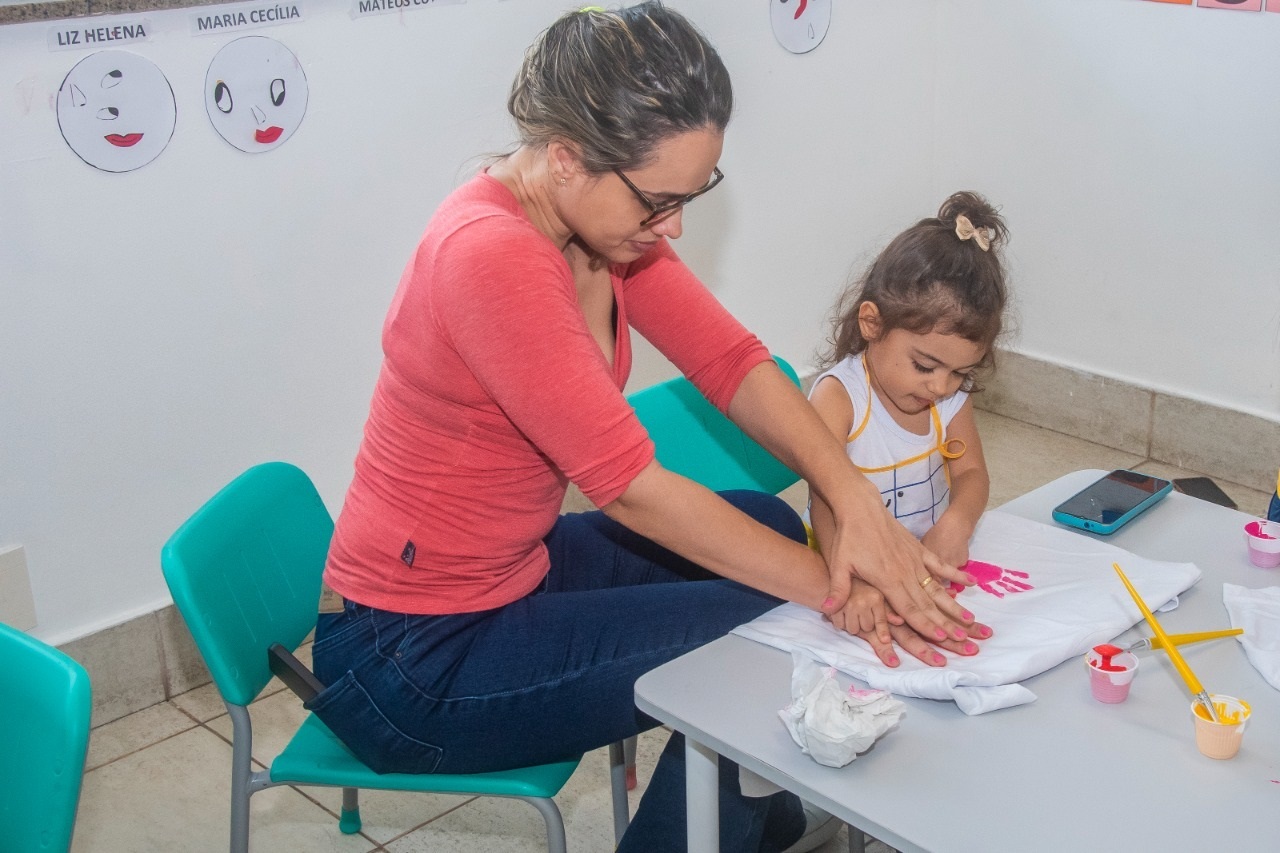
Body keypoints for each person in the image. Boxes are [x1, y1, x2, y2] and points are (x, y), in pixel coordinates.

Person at [310, 5, 985, 850]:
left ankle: (747, 815)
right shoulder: (491, 253)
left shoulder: (600, 230)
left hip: (511, 572)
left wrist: (856, 506)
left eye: (692, 195)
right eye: (658, 200)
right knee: (770, 623)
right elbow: (629, 488)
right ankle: (717, 826)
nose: (673, 228)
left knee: (771, 525)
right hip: (410, 654)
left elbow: (733, 361)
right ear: (566, 158)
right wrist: (840, 588)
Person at [807, 191, 1010, 668]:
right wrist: (852, 581)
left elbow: (972, 474)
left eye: (960, 373)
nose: (941, 387)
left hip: (923, 567)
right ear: (872, 323)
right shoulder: (840, 397)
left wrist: (956, 525)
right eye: (925, 365)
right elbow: (824, 500)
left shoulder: (949, 397)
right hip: (846, 562)